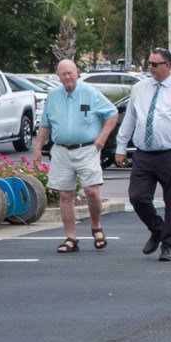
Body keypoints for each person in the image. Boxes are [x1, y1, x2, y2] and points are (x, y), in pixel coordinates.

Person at [116, 48, 171, 262]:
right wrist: (120, 147)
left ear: (167, 65)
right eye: (148, 63)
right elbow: (130, 120)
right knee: (137, 197)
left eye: (154, 64)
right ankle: (157, 229)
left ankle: (168, 245)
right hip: (144, 154)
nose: (149, 67)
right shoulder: (139, 89)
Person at [35, 58, 118, 253]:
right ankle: (70, 238)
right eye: (63, 74)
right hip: (61, 150)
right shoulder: (53, 96)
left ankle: (96, 227)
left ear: (77, 72)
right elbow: (45, 124)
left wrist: (101, 138)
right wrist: (38, 148)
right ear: (58, 77)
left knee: (92, 192)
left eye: (70, 73)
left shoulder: (90, 93)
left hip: (87, 148)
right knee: (65, 194)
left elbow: (112, 113)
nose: (67, 77)